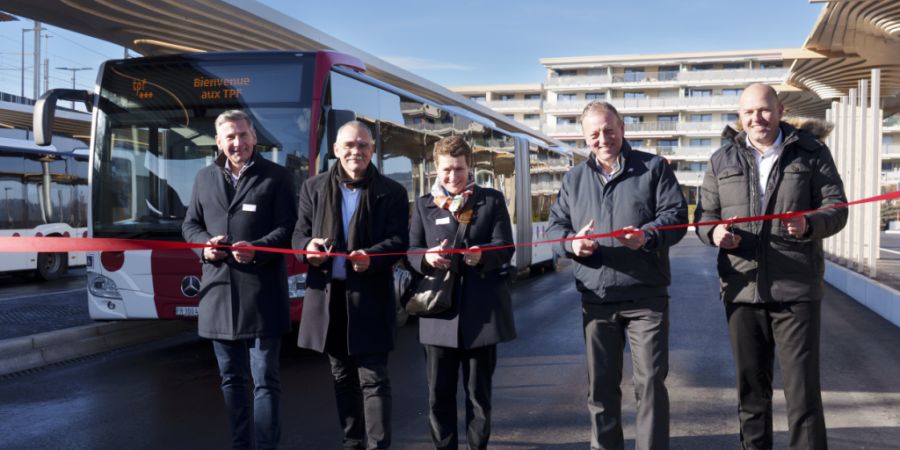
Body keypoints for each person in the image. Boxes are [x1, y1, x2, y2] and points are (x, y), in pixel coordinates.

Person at [694, 83, 847, 450]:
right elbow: (704, 217)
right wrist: (715, 234)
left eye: (763, 110)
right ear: (740, 117)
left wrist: (809, 223)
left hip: (797, 289)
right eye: (748, 112)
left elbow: (836, 207)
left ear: (779, 109)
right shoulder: (721, 160)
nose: (756, 118)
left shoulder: (811, 152)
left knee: (803, 396)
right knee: (751, 395)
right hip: (742, 288)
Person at [546, 101, 688, 450]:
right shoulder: (574, 178)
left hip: (646, 297)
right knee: (601, 388)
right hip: (597, 299)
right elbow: (555, 230)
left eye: (609, 130)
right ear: (584, 136)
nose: (602, 138)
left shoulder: (653, 168)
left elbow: (676, 216)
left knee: (651, 384)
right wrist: (572, 244)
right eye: (593, 133)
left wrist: (647, 236)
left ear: (622, 128)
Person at [182, 109, 297, 450]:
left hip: (261, 295)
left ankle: (266, 446)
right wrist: (205, 247)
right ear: (218, 142)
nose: (237, 143)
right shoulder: (203, 178)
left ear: (254, 137)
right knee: (230, 380)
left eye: (243, 135)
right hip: (217, 294)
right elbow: (189, 225)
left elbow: (288, 229)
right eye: (229, 137)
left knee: (265, 381)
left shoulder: (276, 177)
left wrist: (258, 248)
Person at [292, 120, 409, 449]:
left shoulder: (392, 191)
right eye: (349, 145)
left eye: (362, 145)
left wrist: (372, 256)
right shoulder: (312, 188)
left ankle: (378, 445)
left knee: (373, 379)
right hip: (329, 299)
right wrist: (308, 250)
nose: (355, 151)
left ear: (372, 149)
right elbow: (299, 235)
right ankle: (352, 442)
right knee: (342, 378)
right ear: (336, 150)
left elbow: (399, 240)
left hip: (370, 297)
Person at [407, 135, 516, 450]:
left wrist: (483, 255)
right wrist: (426, 257)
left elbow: (505, 247)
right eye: (446, 170)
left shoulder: (491, 200)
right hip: (438, 313)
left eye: (458, 169)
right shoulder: (424, 205)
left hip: (481, 315)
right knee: (438, 395)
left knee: (478, 396)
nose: (452, 177)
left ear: (470, 169)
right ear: (435, 170)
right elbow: (410, 250)